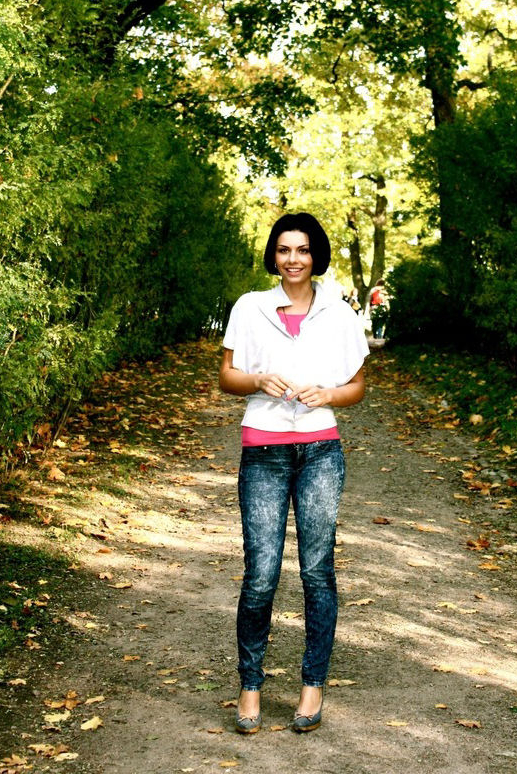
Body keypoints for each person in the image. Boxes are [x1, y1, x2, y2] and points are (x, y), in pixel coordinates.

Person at [219, 213, 369, 734]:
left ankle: (312, 685)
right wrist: (258, 380)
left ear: (315, 255)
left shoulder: (339, 313)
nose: (293, 259)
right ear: (274, 255)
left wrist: (327, 394)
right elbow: (227, 376)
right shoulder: (250, 306)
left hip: (321, 451)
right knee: (261, 573)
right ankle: (250, 685)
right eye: (284, 249)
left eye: (303, 249)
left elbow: (357, 386)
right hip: (262, 449)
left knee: (316, 571)